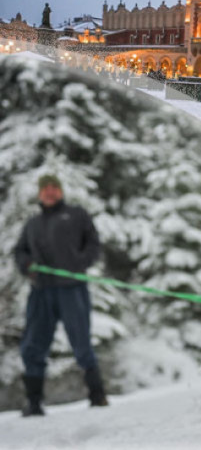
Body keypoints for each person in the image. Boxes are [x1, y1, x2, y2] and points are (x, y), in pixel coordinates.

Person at [13, 174, 106, 416]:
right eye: (46, 189)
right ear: (40, 193)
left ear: (61, 191)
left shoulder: (76, 215)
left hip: (71, 288)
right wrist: (27, 265)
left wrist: (80, 263)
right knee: (33, 344)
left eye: (54, 188)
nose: (50, 192)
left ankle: (97, 396)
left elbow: (94, 245)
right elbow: (20, 251)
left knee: (81, 341)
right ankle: (34, 403)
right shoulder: (32, 224)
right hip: (41, 291)